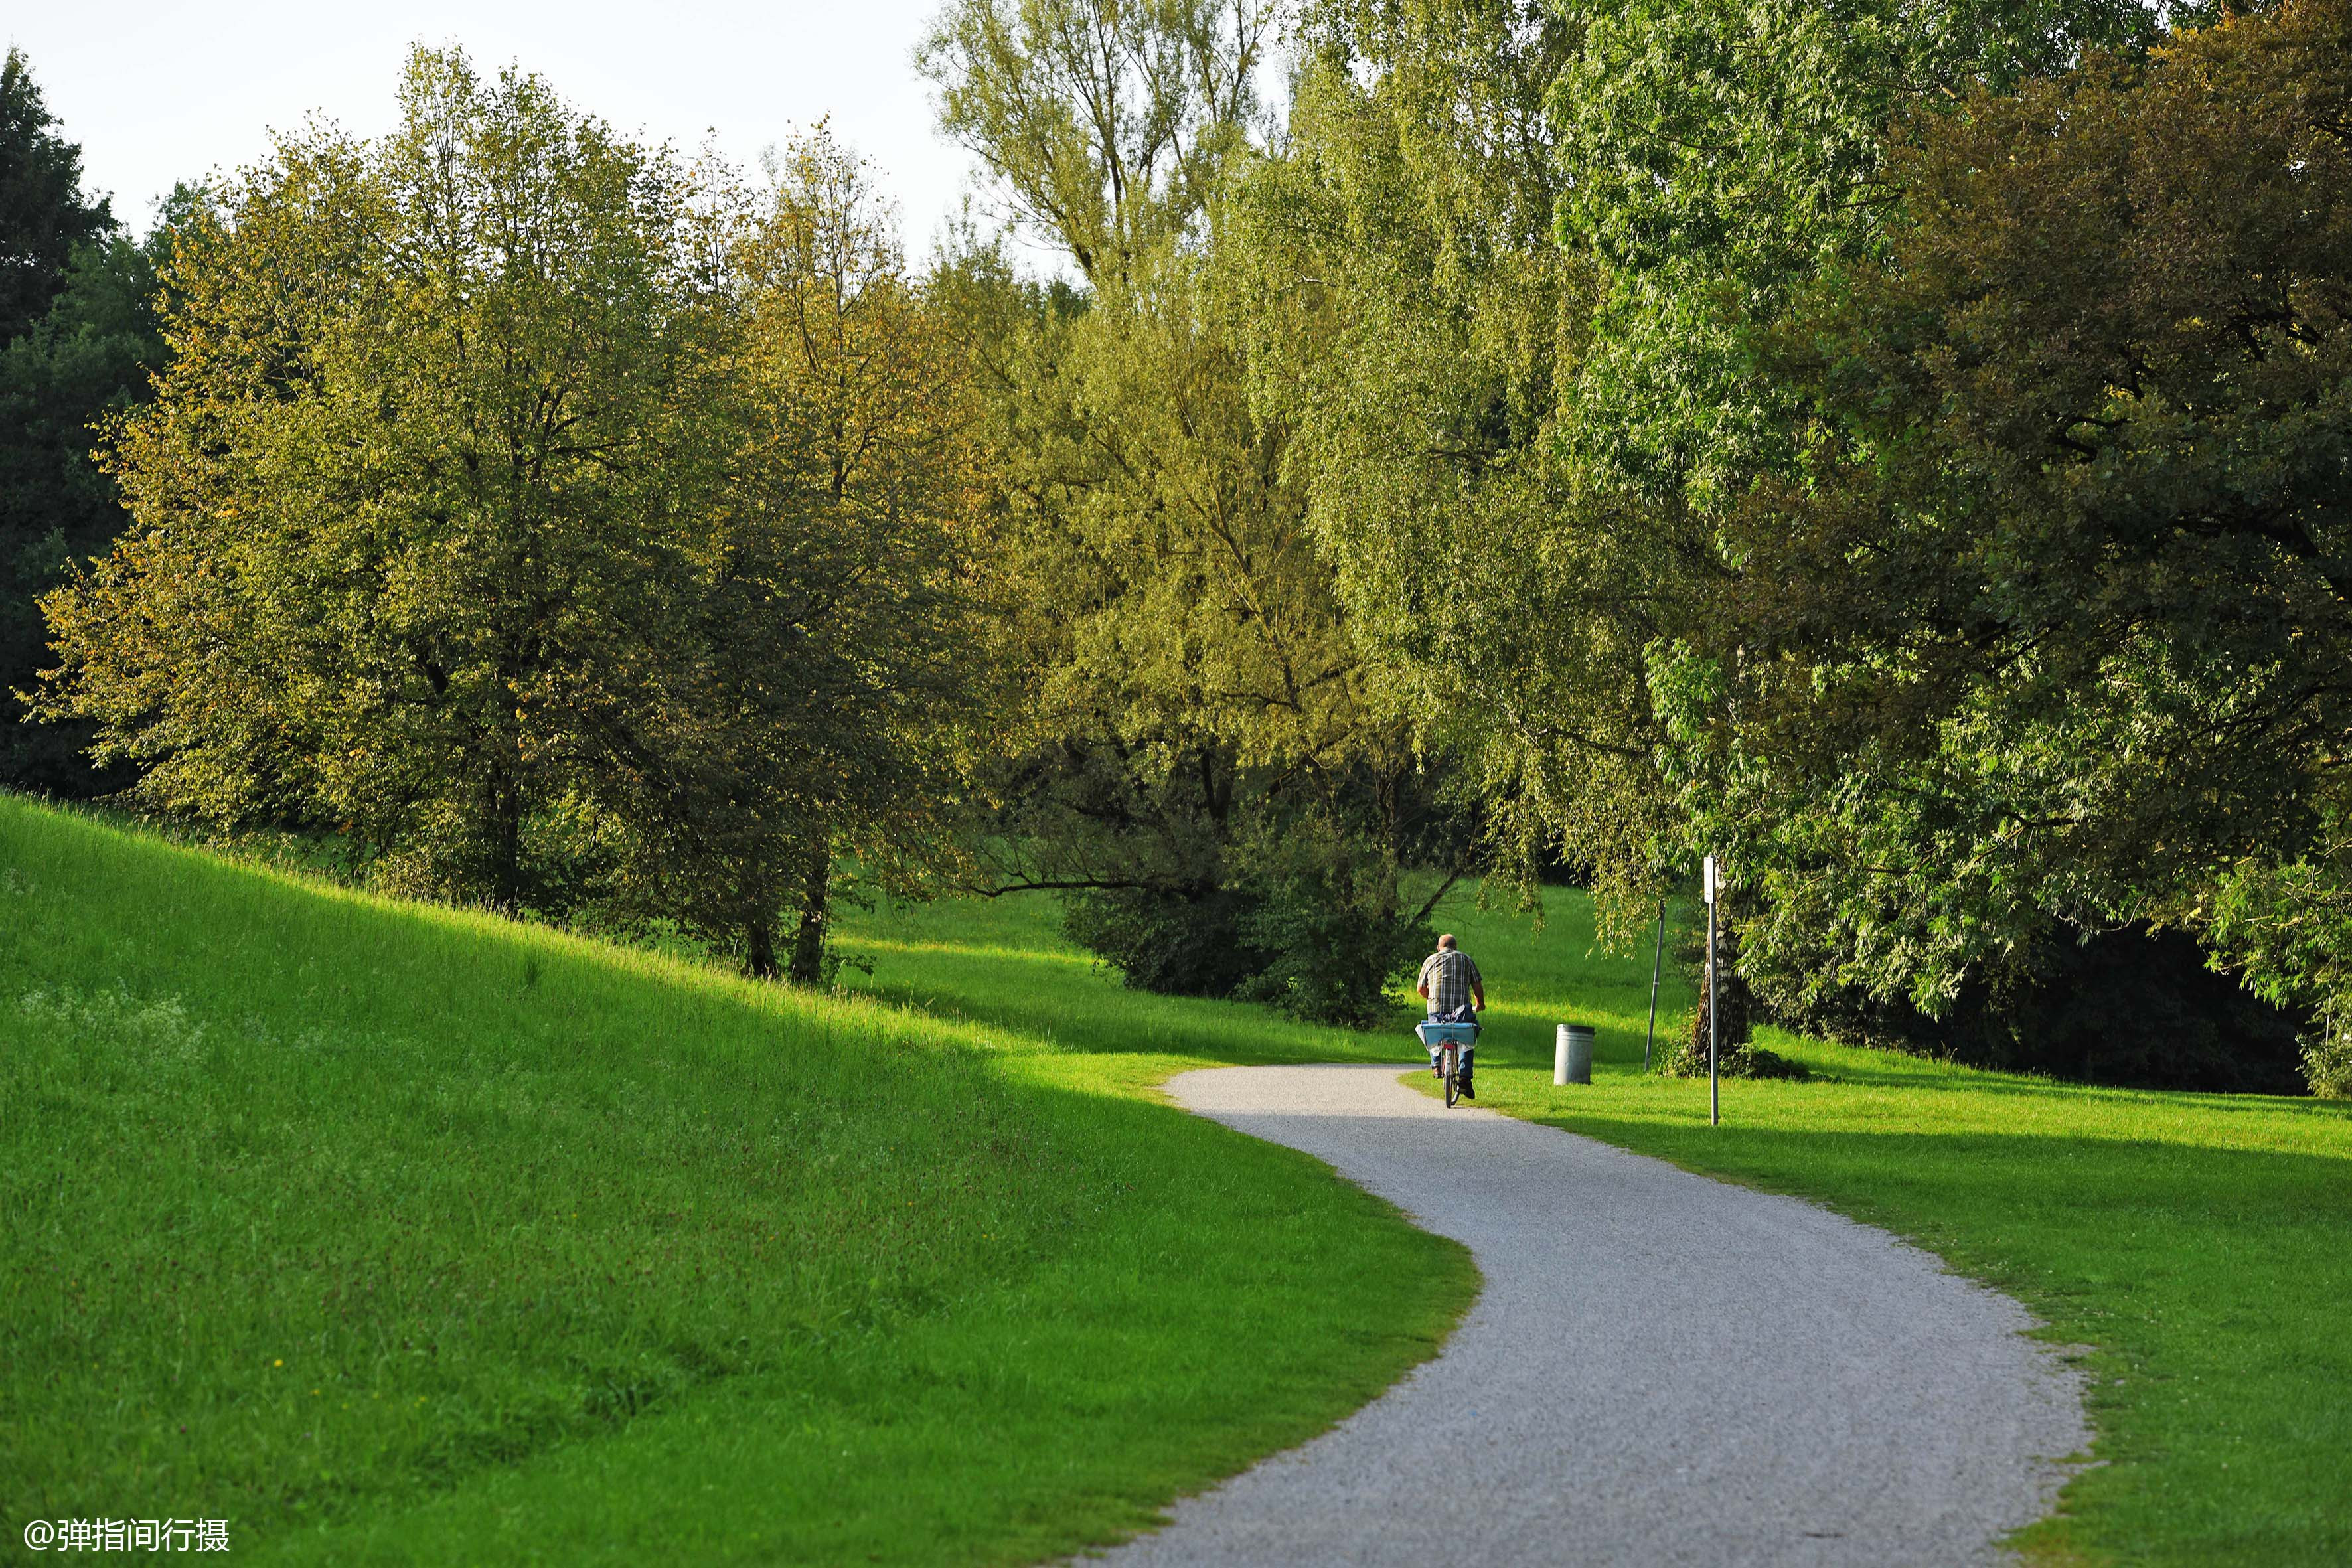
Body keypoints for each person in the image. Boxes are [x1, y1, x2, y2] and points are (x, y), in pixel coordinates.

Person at [1415, 933, 1486, 1099]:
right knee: (1468, 1035)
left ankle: (1437, 1066)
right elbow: (1477, 985)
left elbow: (1420, 989)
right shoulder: (1466, 959)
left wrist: (1432, 997)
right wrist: (1480, 1005)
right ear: (1456, 947)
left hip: (1436, 1010)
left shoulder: (1430, 960)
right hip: (1460, 1012)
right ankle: (1465, 1079)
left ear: (1438, 948)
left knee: (1433, 1030)